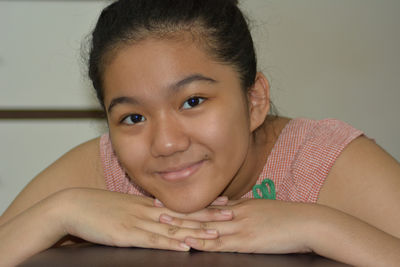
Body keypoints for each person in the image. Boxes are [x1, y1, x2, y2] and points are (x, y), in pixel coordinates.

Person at [1, 0, 400, 266]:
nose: (167, 144)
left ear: (255, 100)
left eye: (192, 102)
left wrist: (318, 226)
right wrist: (61, 211)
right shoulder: (107, 169)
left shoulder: (320, 160)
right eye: (133, 118)